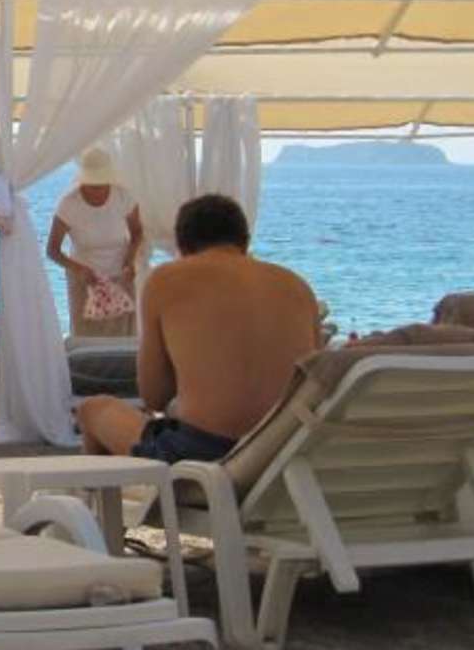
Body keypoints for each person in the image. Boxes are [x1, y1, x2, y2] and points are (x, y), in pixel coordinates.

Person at [78, 194, 321, 461]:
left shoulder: (166, 280)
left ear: (181, 246)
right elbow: (316, 378)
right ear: (245, 241)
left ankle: (108, 489)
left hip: (204, 452)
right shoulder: (297, 285)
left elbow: (154, 396)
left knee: (93, 409)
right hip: (285, 449)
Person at [48, 146, 143, 337]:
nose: (98, 190)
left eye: (103, 185)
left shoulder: (123, 196)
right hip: (85, 280)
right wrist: (78, 269)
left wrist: (130, 260)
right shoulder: (69, 204)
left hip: (121, 277)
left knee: (122, 337)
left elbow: (137, 232)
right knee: (87, 337)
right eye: (93, 186)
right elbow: (52, 250)